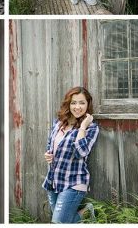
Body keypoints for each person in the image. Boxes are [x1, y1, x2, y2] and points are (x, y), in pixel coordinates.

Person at [42, 87, 99, 223]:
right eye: (73, 103)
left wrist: (83, 127)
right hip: (53, 180)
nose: (77, 107)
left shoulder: (92, 128)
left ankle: (87, 212)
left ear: (88, 104)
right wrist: (48, 155)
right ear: (68, 104)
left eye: (82, 103)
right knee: (63, 222)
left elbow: (81, 152)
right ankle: (86, 212)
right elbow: (50, 145)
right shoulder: (58, 123)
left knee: (58, 223)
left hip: (74, 182)